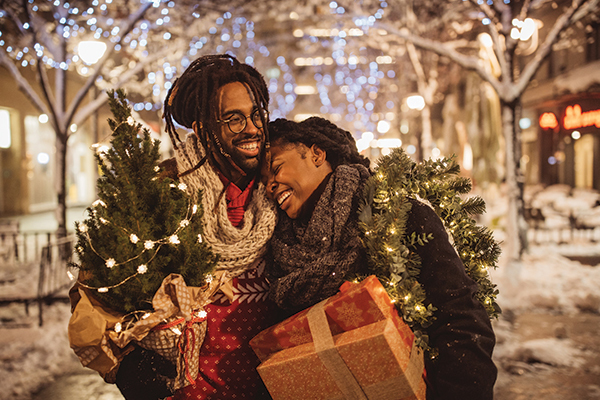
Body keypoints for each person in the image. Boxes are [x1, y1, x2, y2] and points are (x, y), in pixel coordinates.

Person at [68, 54, 278, 400]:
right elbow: (95, 292)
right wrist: (132, 370)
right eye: (234, 120)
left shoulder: (278, 186)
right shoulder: (161, 192)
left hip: (275, 386)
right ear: (202, 129)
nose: (252, 129)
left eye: (256, 115)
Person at [263, 116, 497, 400]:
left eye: (276, 169)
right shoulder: (280, 255)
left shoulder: (397, 217)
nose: (270, 186)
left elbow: (461, 321)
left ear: (316, 154)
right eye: (263, 181)